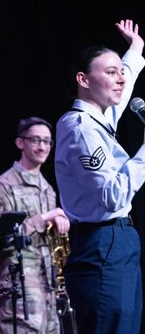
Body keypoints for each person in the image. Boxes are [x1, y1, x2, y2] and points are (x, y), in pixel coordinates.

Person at [54, 19, 145, 334]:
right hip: (101, 242)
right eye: (110, 72)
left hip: (118, 241)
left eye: (121, 71)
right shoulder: (79, 127)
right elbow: (111, 197)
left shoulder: (100, 118)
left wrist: (136, 48)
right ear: (84, 79)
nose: (120, 79)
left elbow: (127, 81)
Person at [0, 116, 70, 333]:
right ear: (20, 143)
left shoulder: (48, 188)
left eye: (48, 141)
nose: (43, 147)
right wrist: (44, 218)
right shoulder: (5, 185)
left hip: (49, 287)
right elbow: (3, 237)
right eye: (36, 140)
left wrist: (59, 225)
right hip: (20, 289)